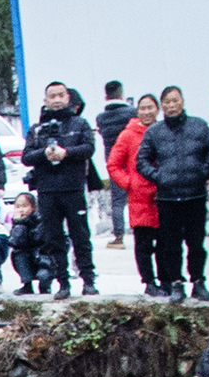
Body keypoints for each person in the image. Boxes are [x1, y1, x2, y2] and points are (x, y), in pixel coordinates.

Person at [24, 82, 96, 296]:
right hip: (47, 190)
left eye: (60, 95)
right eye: (52, 96)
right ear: (45, 100)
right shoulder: (37, 130)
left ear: (68, 98)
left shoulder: (80, 123)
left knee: (80, 236)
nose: (56, 100)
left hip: (73, 188)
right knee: (53, 238)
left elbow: (89, 148)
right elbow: (26, 156)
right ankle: (63, 283)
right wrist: (43, 154)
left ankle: (89, 280)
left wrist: (67, 153)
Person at [105, 93, 162, 294]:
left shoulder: (164, 130)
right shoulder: (128, 134)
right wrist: (129, 183)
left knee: (166, 242)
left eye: (150, 107)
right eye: (143, 108)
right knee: (144, 244)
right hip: (140, 197)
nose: (147, 112)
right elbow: (113, 164)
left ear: (158, 109)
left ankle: (168, 279)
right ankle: (149, 281)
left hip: (164, 195)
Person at [92, 83, 134, 251]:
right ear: (122, 94)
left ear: (106, 96)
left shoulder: (101, 117)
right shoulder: (132, 112)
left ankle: (118, 236)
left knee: (117, 200)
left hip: (113, 160)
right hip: (132, 158)